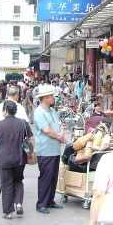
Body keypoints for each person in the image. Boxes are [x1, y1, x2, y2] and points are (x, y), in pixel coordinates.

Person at [0, 100, 34, 219]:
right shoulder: (23, 123)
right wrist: (31, 151)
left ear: (5, 110)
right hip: (20, 157)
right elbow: (31, 138)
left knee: (6, 184)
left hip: (3, 159)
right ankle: (18, 203)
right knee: (18, 180)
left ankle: (8, 212)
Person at [0, 85, 29, 198]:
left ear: (7, 95)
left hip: (2, 140)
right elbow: (26, 126)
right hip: (17, 143)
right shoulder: (20, 108)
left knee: (0, 165)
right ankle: (15, 192)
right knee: (17, 167)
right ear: (17, 95)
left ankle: (1, 183)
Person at [33, 85, 65, 214]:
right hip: (45, 149)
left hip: (55, 149)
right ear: (45, 97)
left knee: (53, 177)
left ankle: (50, 200)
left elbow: (59, 124)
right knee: (46, 177)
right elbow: (46, 130)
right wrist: (60, 137)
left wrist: (61, 133)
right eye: (51, 95)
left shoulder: (52, 111)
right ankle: (41, 203)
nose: (53, 97)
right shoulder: (39, 112)